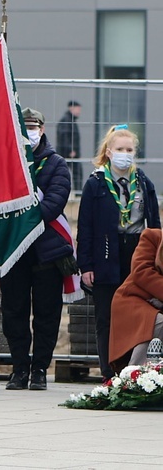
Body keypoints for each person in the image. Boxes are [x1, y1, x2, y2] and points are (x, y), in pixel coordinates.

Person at [77, 125, 160, 382]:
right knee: (106, 314)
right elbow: (85, 227)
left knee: (137, 311)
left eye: (130, 150)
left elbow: (154, 225)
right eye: (120, 149)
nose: (125, 154)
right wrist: (86, 265)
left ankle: (134, 369)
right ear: (109, 152)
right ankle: (108, 371)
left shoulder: (143, 182)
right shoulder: (96, 183)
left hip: (137, 249)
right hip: (105, 252)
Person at [1, 108, 74, 391]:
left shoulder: (56, 164)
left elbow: (56, 200)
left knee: (47, 313)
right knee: (13, 312)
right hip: (14, 251)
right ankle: (19, 368)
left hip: (47, 250)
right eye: (25, 126)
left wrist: (25, 221)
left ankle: (40, 368)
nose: (29, 131)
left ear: (42, 130)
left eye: (33, 127)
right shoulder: (8, 163)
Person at [108, 228, 163, 373]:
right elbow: (140, 271)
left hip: (156, 305)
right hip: (132, 299)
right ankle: (134, 378)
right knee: (155, 324)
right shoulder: (153, 236)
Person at [56, 100, 83, 191]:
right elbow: (64, 136)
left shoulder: (70, 120)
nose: (79, 112)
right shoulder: (66, 120)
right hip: (68, 154)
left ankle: (77, 192)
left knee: (74, 173)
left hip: (70, 153)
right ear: (71, 108)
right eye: (78, 109)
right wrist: (70, 150)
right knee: (75, 173)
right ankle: (76, 192)